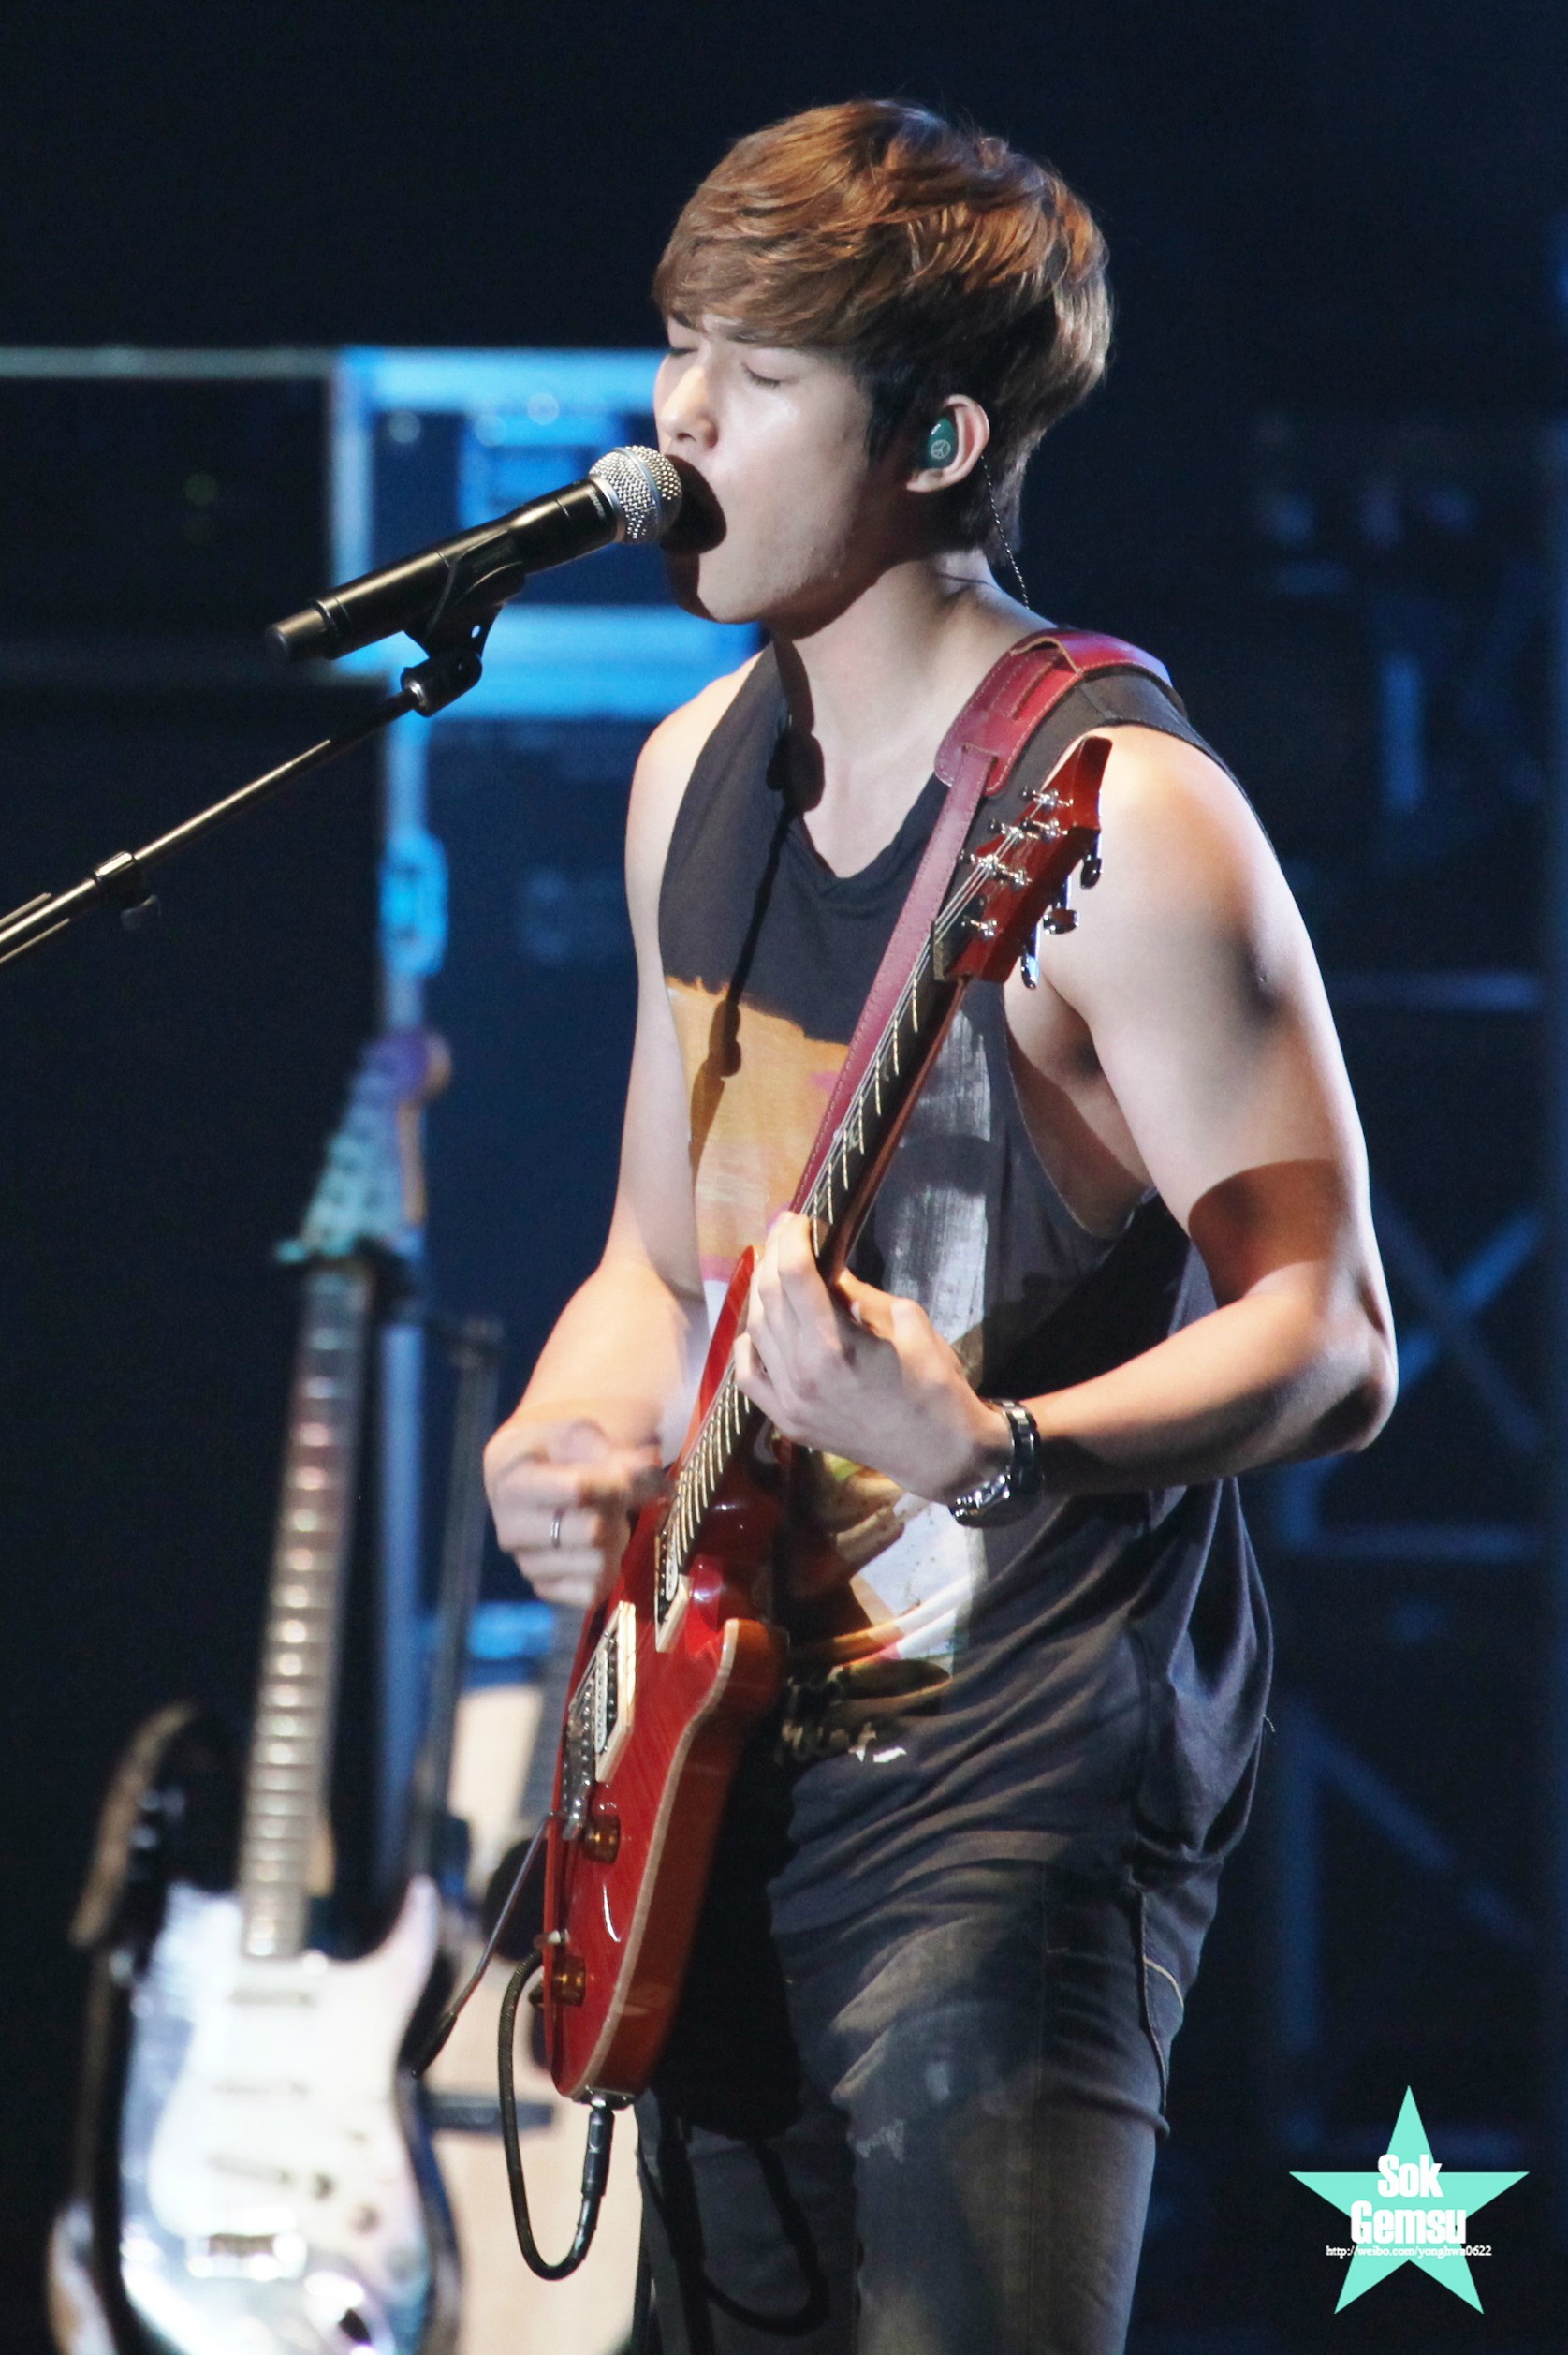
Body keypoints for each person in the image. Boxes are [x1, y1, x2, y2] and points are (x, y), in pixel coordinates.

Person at [483, 99, 1396, 2355]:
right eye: (677, 345)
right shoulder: (687, 777)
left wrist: (989, 1438)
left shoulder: (1128, 821)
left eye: (758, 371)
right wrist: (565, 1436)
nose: (680, 417)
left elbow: (1333, 1329)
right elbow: (653, 1260)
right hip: (719, 1757)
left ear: (936, 436)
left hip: (1011, 1783)